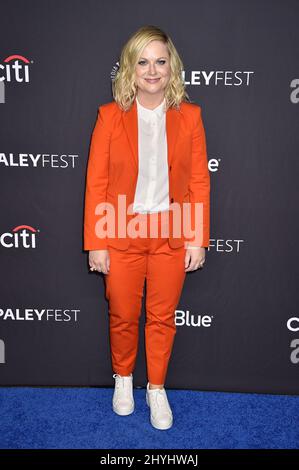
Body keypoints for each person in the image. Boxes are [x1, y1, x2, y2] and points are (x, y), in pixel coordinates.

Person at [83, 25, 210, 430]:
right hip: (120, 227)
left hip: (171, 231)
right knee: (122, 314)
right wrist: (96, 243)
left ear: (172, 66)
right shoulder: (109, 116)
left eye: (160, 60)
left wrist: (197, 237)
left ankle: (156, 387)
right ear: (129, 68)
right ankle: (124, 379)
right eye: (143, 61)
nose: (152, 70)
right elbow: (96, 183)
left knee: (161, 316)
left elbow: (198, 184)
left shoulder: (190, 117)